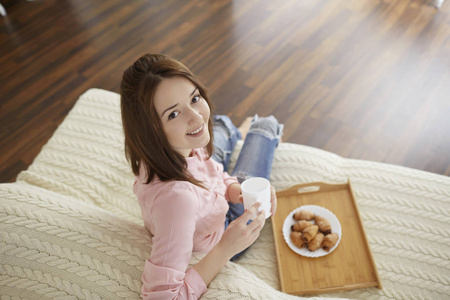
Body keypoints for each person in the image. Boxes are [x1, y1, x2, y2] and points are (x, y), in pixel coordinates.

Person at [120, 53, 283, 299]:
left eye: (195, 98)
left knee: (214, 129)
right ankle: (235, 130)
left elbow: (215, 173)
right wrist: (227, 247)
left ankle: (231, 131)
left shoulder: (172, 147)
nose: (195, 116)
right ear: (150, 131)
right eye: (173, 114)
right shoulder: (178, 201)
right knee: (266, 126)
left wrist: (235, 190)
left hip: (215, 202)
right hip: (221, 235)